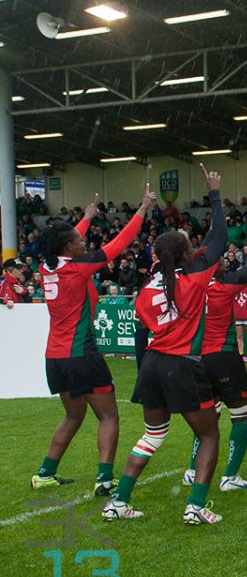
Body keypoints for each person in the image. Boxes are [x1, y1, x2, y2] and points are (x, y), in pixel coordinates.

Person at [103, 165, 227, 524]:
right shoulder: (194, 278)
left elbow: (144, 328)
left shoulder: (146, 289)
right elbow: (218, 239)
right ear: (187, 255)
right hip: (182, 365)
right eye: (191, 245)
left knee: (153, 434)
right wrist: (214, 194)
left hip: (153, 364)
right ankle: (196, 506)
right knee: (208, 434)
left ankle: (118, 500)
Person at [32, 189, 154, 494]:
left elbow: (64, 241)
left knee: (74, 414)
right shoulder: (78, 268)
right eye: (78, 241)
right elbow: (118, 245)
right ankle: (104, 479)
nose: (83, 242)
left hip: (55, 356)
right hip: (82, 353)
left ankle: (45, 473)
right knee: (109, 415)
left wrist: (86, 218)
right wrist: (142, 209)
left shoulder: (47, 267)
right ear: (68, 248)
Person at [181, 206, 247, 492]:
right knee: (242, 413)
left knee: (208, 415)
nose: (220, 260)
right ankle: (230, 476)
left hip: (195, 359)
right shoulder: (224, 285)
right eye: (217, 259)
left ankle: (193, 470)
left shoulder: (188, 287)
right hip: (223, 357)